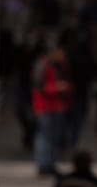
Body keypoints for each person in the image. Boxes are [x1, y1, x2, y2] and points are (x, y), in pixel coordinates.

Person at [31, 45, 74, 175]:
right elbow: (39, 86)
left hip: (57, 106)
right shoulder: (44, 65)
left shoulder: (59, 66)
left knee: (54, 137)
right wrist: (56, 88)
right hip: (46, 106)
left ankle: (50, 163)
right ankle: (43, 163)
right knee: (45, 136)